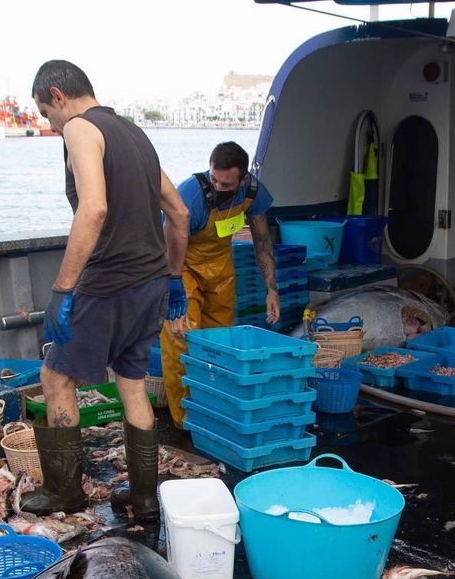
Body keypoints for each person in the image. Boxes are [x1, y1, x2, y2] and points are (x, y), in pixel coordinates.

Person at [27, 59, 190, 521]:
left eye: (45, 113)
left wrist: (63, 288)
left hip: (109, 284)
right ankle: (142, 499)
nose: (50, 124)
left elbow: (93, 209)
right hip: (151, 283)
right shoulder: (135, 135)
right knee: (133, 386)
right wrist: (174, 276)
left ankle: (64, 493)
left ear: (57, 95)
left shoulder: (79, 128)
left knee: (56, 377)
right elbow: (178, 213)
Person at [160, 141, 281, 427]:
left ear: (242, 180)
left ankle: (216, 411)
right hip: (182, 267)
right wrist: (172, 293)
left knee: (221, 345)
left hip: (220, 269)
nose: (217, 186)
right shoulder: (190, 195)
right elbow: (166, 248)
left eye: (225, 183)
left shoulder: (253, 192)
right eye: (213, 178)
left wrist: (271, 289)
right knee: (182, 342)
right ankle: (186, 421)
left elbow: (263, 242)